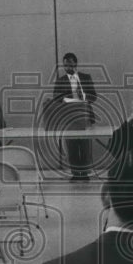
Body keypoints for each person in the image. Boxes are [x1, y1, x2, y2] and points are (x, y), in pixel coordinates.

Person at [48, 52, 97, 181]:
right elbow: (55, 97)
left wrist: (84, 97)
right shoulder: (61, 80)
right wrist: (66, 100)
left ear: (75, 64)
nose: (68, 68)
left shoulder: (85, 78)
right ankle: (76, 173)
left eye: (70, 65)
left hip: (85, 116)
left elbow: (94, 96)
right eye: (65, 65)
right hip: (69, 117)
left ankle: (85, 173)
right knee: (72, 145)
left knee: (85, 145)